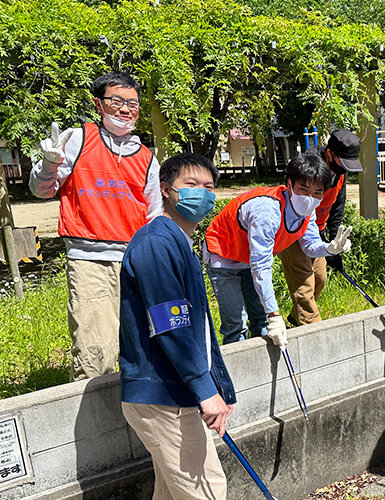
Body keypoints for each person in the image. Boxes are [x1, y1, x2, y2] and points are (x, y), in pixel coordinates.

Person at [29, 71, 162, 381]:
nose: (126, 109)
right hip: (89, 259)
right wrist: (49, 163)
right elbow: (42, 190)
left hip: (133, 262)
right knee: (95, 351)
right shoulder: (77, 139)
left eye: (133, 103)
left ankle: (138, 414)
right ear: (98, 104)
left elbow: (154, 215)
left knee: (144, 345)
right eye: (116, 101)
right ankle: (96, 420)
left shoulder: (146, 158)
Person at [119, 153, 236, 500]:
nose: (202, 193)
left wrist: (214, 386)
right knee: (209, 492)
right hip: (164, 394)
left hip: (173, 389)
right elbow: (171, 325)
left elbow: (193, 326)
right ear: (166, 190)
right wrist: (205, 389)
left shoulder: (178, 240)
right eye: (191, 184)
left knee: (172, 493)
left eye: (209, 187)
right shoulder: (157, 243)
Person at [203, 154, 353, 345]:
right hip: (223, 256)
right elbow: (261, 266)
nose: (310, 198)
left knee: (260, 320)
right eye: (303, 189)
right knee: (236, 323)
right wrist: (274, 313)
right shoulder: (267, 211)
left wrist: (330, 249)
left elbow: (309, 245)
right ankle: (234, 371)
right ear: (289, 185)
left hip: (249, 259)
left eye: (317, 192)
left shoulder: (308, 210)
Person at [279, 130, 362, 325]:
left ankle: (295, 318)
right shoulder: (309, 166)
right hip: (295, 230)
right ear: (330, 153)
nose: (345, 168)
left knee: (319, 278)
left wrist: (334, 242)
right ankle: (313, 328)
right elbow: (296, 203)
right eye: (343, 161)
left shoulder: (341, 172)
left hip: (317, 230)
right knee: (304, 284)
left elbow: (337, 206)